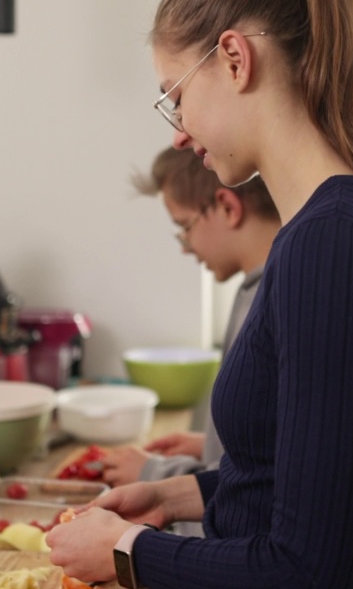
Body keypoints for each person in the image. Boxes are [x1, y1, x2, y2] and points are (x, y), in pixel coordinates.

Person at [47, 0, 353, 589]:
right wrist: (173, 498)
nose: (179, 137)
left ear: (235, 59)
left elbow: (308, 571)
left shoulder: (334, 245)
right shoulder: (332, 230)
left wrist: (126, 552)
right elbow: (290, 484)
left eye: (176, 98)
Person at [100, 147, 281, 538]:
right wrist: (209, 444)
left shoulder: (268, 299)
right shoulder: (254, 286)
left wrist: (153, 474)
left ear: (228, 206)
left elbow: (262, 487)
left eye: (184, 226)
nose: (184, 245)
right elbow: (267, 438)